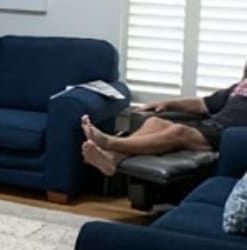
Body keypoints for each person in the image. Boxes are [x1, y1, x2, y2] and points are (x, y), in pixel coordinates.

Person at [81, 75, 247, 176]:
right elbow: (203, 103)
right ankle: (111, 159)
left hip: (231, 137)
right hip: (210, 126)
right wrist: (166, 103)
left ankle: (109, 142)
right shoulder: (240, 86)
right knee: (155, 122)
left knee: (179, 131)